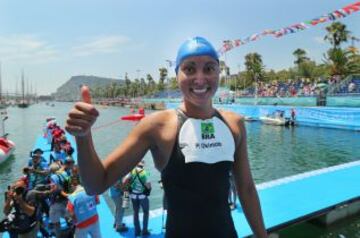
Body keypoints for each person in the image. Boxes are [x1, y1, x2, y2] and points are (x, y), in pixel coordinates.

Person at [65, 36, 267, 237]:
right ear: (177, 74)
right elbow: (95, 184)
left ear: (218, 73)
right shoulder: (156, 126)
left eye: (209, 68)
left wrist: (262, 236)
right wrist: (83, 137)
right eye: (189, 69)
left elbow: (247, 188)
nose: (199, 78)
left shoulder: (234, 124)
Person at [124, 160, 151, 237]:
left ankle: (137, 231)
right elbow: (148, 186)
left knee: (135, 213)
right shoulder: (144, 173)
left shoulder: (132, 171)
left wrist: (128, 189)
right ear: (143, 165)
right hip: (142, 197)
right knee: (146, 212)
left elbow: (124, 181)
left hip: (133, 196)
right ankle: (144, 231)